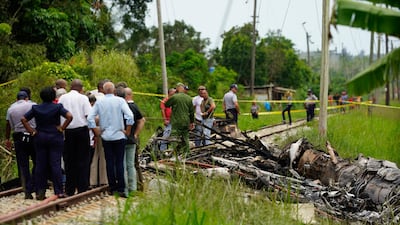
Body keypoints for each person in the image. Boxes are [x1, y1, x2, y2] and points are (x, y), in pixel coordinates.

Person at [21, 86, 73, 200]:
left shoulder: (36, 108)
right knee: (55, 164)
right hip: (55, 136)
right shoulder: (58, 107)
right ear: (53, 96)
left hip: (40, 137)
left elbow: (23, 119)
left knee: (40, 164)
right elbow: (69, 116)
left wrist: (32, 131)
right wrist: (62, 127)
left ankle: (40, 191)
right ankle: (58, 191)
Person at [87, 81, 134, 197]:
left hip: (106, 136)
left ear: (103, 90)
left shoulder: (100, 102)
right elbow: (130, 116)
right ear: (113, 90)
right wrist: (127, 131)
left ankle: (112, 188)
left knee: (109, 162)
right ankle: (122, 188)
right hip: (119, 135)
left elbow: (90, 118)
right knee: (119, 162)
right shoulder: (120, 101)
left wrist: (96, 130)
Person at [57, 79, 92, 196]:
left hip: (67, 131)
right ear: (81, 88)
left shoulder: (62, 98)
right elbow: (88, 116)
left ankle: (69, 188)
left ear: (70, 87)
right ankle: (82, 187)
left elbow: (59, 114)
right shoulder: (83, 98)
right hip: (82, 131)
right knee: (83, 159)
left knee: (69, 160)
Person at [5, 91, 37, 199]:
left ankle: (27, 191)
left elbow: (8, 125)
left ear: (16, 99)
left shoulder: (11, 109)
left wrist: (7, 139)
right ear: (27, 98)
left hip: (19, 137)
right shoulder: (33, 105)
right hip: (33, 135)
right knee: (37, 161)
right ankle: (37, 187)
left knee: (23, 165)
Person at [123, 87, 145, 194]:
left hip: (122, 138)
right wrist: (136, 133)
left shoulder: (122, 107)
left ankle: (125, 188)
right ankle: (133, 187)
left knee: (123, 164)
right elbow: (142, 120)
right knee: (131, 164)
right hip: (132, 139)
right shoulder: (135, 107)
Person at [89, 79, 109, 188]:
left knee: (95, 156)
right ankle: (103, 180)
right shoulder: (103, 99)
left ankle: (93, 180)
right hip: (103, 129)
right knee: (103, 155)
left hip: (94, 130)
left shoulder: (93, 96)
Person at [165, 83, 194, 156]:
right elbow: (191, 112)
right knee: (185, 137)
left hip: (176, 120)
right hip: (186, 120)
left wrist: (172, 95)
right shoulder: (189, 98)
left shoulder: (175, 97)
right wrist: (192, 122)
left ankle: (174, 153)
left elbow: (166, 104)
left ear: (177, 88)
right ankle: (186, 153)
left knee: (174, 136)